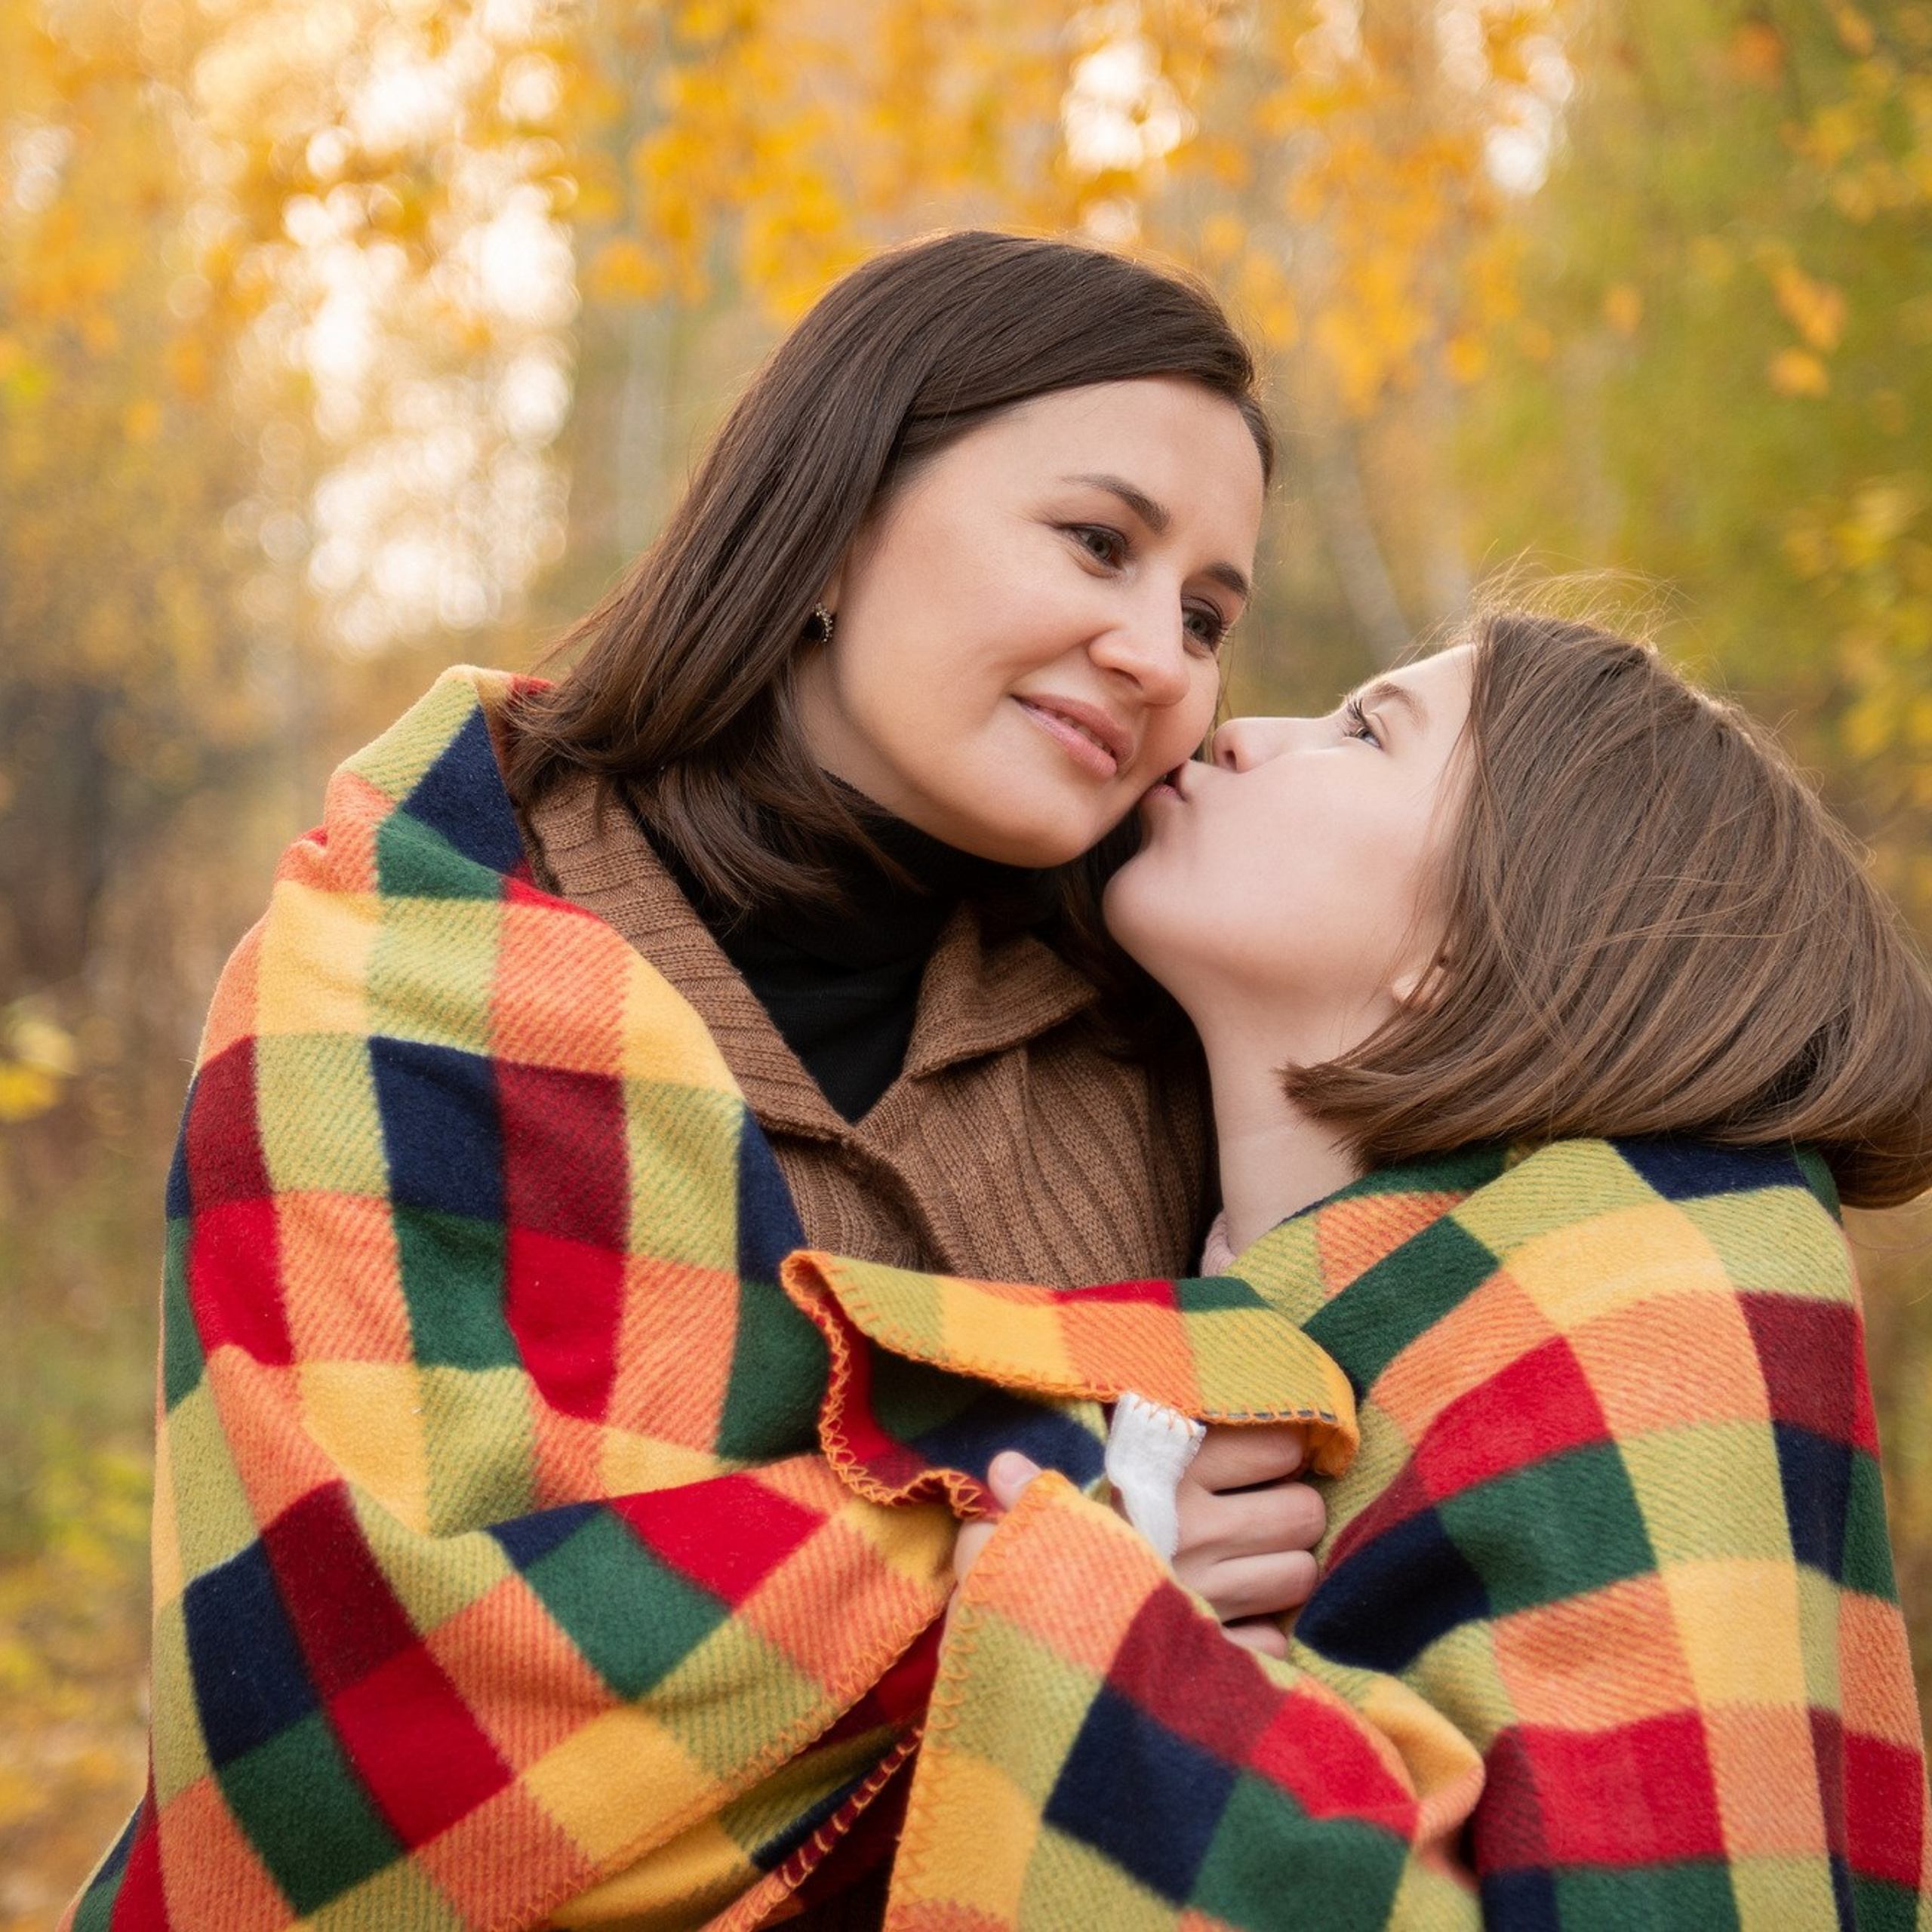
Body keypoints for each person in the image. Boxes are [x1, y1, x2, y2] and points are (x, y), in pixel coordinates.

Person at [64, 232, 1343, 1932]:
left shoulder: (1151, 1049)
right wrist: (1070, 1554)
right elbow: (334, 1711)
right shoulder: (394, 968)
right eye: (1097, 542)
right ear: (831, 515)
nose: (1155, 656)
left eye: (1202, 615)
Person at [928, 608, 1932, 1927]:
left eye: (1362, 733)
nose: (1237, 730)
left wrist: (1081, 1638)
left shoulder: (1651, 1315)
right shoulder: (1100, 1256)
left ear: (1473, 944)